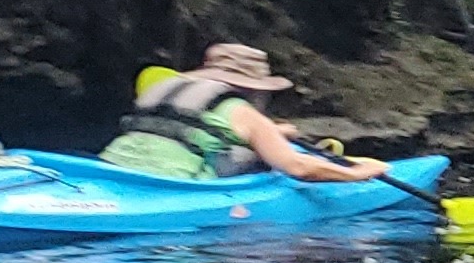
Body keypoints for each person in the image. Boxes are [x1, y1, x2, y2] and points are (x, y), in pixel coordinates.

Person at [100, 43, 388, 182]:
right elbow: (298, 167)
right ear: (255, 88)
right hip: (172, 189)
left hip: (107, 173)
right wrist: (358, 174)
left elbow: (197, 129)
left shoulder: (162, 90)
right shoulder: (244, 112)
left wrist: (271, 133)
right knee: (249, 158)